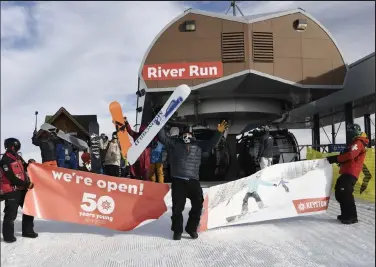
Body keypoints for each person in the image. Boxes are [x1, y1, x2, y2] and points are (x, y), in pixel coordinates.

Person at [158, 121, 228, 240]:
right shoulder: (175, 143)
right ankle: (177, 230)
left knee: (197, 204)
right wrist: (159, 123)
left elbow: (211, 144)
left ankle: (191, 228)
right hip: (178, 180)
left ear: (192, 135)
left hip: (193, 180)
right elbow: (163, 137)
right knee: (177, 208)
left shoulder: (199, 144)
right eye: (185, 133)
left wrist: (219, 132)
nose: (187, 136)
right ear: (181, 134)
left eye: (189, 133)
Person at [326, 124, 369, 224]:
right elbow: (348, 156)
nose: (348, 133)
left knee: (346, 193)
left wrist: (336, 158)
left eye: (350, 131)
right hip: (346, 171)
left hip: (351, 172)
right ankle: (345, 214)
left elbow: (350, 155)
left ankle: (352, 216)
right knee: (339, 192)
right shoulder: (353, 143)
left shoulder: (358, 142)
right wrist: (340, 160)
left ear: (355, 131)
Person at [0, 138, 38, 243]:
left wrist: (30, 164)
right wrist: (26, 184)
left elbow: (25, 167)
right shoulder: (5, 160)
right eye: (15, 147)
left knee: (29, 210)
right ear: (11, 146)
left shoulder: (17, 157)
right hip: (12, 190)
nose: (16, 149)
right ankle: (8, 236)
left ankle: (28, 231)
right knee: (11, 214)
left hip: (22, 189)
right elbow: (11, 177)